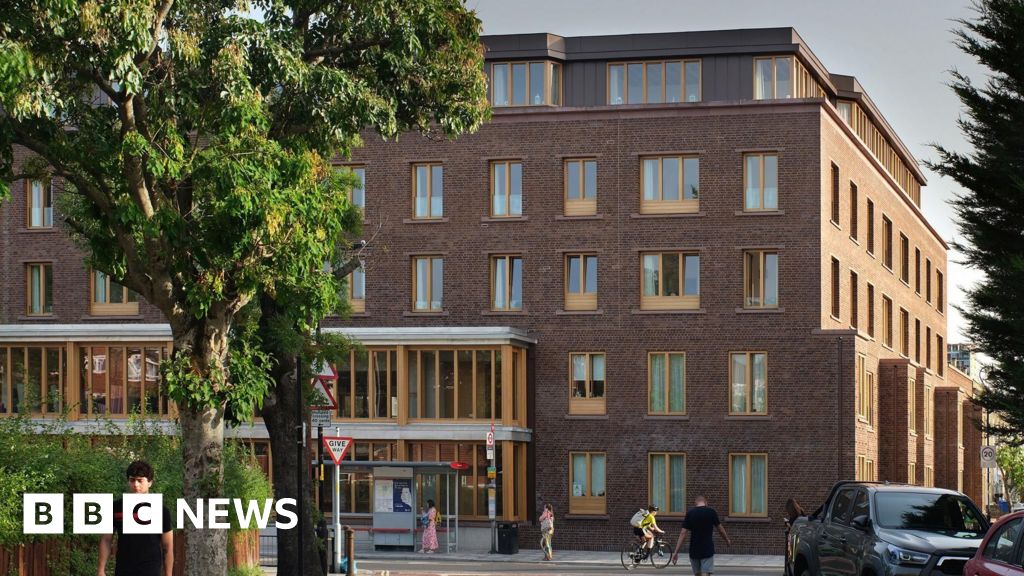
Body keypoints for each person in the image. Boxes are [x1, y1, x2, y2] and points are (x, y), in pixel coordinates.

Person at [98, 460, 173, 576]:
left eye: (140, 480)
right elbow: (106, 539)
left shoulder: (161, 510)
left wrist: (168, 574)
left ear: (150, 482)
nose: (136, 485)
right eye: (132, 480)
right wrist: (101, 570)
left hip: (150, 570)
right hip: (123, 569)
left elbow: (167, 546)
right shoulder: (115, 507)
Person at [672, 496, 732, 576]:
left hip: (694, 549)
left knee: (697, 574)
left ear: (695, 504)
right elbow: (720, 529)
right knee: (706, 573)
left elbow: (683, 533)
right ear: (706, 502)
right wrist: (727, 540)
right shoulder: (711, 512)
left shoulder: (690, 513)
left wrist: (676, 552)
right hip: (707, 548)